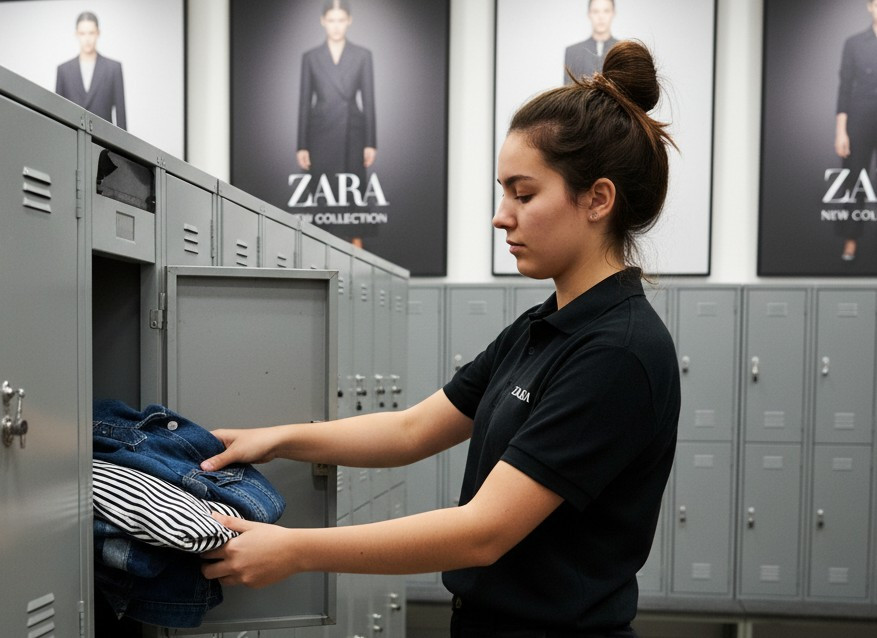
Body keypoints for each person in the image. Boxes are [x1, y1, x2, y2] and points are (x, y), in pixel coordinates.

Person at [201, 40, 680, 638]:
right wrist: (279, 439)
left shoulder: (617, 352)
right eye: (503, 192)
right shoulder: (543, 328)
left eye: (523, 194)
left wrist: (295, 550)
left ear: (597, 199)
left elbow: (483, 531)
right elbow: (412, 429)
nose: (501, 215)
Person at [296, 0, 376, 243]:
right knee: (323, 197)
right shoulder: (310, 57)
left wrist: (371, 142)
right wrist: (301, 145)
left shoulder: (363, 55)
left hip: (353, 133)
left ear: (349, 21)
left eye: (341, 20)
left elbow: (369, 99)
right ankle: (322, 257)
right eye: (331, 20)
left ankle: (358, 256)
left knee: (354, 196)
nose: (336, 26)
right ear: (323, 21)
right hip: (320, 135)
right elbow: (304, 102)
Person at [834, 0, 877, 262]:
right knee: (855, 178)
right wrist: (841, 130)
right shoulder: (854, 43)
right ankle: (851, 239)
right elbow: (844, 87)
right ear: (870, 6)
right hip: (860, 117)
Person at [55, 11, 126, 129]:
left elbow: (121, 116)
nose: (87, 39)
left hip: (104, 143)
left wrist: (121, 147)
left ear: (98, 33)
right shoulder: (63, 70)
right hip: (72, 140)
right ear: (76, 34)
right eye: (82, 33)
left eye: (91, 33)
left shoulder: (113, 68)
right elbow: (57, 113)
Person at [564, 0, 619, 84]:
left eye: (606, 11)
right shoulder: (573, 52)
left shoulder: (623, 50)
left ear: (613, 13)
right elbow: (567, 93)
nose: (601, 17)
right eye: (595, 11)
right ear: (589, 14)